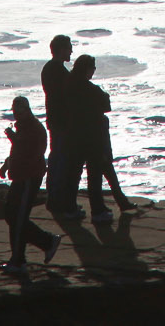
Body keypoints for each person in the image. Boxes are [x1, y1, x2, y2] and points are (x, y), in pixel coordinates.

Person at [0, 95, 60, 273]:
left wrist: (14, 140)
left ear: (28, 110)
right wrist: (7, 164)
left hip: (29, 178)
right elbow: (17, 151)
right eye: (15, 110)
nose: (17, 114)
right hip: (18, 176)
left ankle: (18, 260)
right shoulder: (22, 127)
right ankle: (47, 242)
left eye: (20, 110)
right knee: (11, 215)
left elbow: (31, 153)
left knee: (18, 219)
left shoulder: (34, 128)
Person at [73, 54, 133, 222]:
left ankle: (120, 201)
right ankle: (98, 211)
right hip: (94, 136)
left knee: (105, 169)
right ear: (87, 69)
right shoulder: (89, 89)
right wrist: (104, 97)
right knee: (96, 173)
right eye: (93, 68)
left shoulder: (71, 85)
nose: (94, 71)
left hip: (80, 135)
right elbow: (106, 106)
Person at [41, 34, 94, 219]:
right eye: (69, 47)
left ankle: (55, 200)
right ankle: (60, 203)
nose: (71, 50)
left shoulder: (51, 69)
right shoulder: (57, 71)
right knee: (62, 162)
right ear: (61, 49)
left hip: (56, 120)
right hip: (61, 122)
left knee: (57, 160)